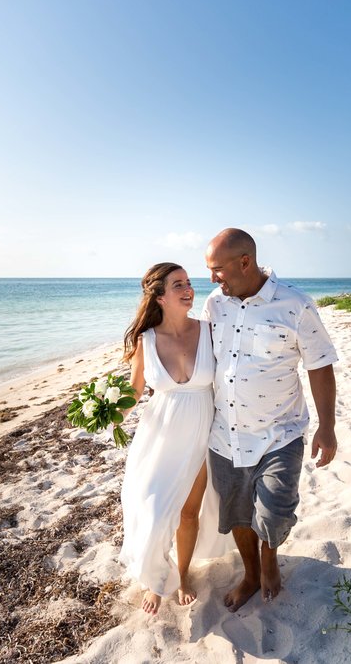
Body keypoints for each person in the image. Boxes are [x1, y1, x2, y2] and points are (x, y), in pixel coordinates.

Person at [202, 228, 338, 611]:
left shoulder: (295, 304)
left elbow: (320, 366)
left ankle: (269, 557)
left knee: (275, 510)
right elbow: (201, 357)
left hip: (281, 432)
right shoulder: (215, 303)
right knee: (238, 513)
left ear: (244, 262)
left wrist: (327, 428)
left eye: (217, 269)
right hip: (224, 435)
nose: (212, 279)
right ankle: (250, 573)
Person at [118, 262, 230, 615]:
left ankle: (181, 576)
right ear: (160, 296)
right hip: (160, 436)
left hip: (200, 434)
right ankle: (153, 578)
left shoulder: (210, 331)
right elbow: (135, 392)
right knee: (151, 509)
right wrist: (107, 414)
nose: (188, 289)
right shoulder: (145, 340)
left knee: (187, 513)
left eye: (188, 283)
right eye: (177, 284)